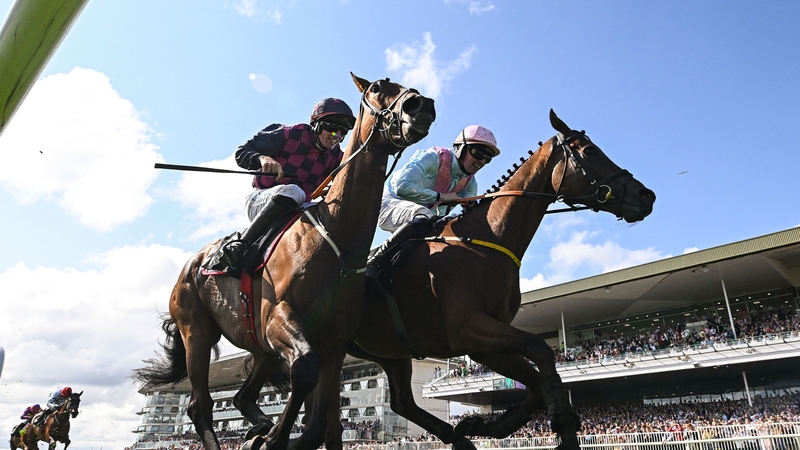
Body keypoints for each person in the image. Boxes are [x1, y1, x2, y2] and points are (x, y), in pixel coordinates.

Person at [221, 98, 356, 268]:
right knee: (295, 191)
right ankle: (241, 245)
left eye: (343, 132)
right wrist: (262, 158)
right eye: (333, 129)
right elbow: (242, 152)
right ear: (316, 124)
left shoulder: (336, 158)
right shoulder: (288, 134)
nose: (337, 136)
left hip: (298, 210)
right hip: (260, 200)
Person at [367, 125, 500, 274]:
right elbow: (402, 186)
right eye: (477, 153)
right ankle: (374, 263)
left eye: (487, 159)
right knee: (424, 217)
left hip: (419, 223)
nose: (481, 161)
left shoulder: (470, 184)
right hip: (388, 204)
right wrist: (441, 197)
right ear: (459, 148)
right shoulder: (433, 157)